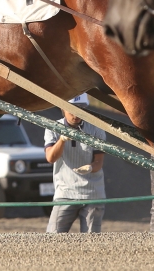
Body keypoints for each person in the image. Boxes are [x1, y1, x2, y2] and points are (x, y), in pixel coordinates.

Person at [44, 94, 106, 233]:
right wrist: (62, 140)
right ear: (63, 108)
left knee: (91, 242)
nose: (76, 114)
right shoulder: (53, 127)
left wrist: (90, 167)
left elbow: (98, 162)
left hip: (93, 193)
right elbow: (50, 157)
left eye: (81, 109)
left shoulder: (96, 129)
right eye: (71, 109)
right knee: (53, 237)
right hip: (65, 192)